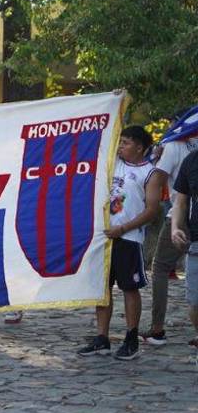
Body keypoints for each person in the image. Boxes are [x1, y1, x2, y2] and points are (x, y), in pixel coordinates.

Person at [78, 126, 165, 360]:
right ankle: (101, 338)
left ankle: (131, 338)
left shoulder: (152, 173)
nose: (121, 146)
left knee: (129, 287)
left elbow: (152, 210)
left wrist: (123, 228)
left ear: (139, 147)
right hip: (104, 236)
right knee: (102, 288)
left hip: (128, 238)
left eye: (126, 143)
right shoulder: (113, 162)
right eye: (121, 142)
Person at [141, 106, 198, 345]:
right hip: (185, 214)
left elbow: (157, 176)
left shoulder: (174, 147)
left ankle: (157, 328)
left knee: (161, 267)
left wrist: (148, 206)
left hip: (178, 214)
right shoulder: (193, 147)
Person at [169, 148, 198, 348]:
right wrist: (175, 227)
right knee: (195, 301)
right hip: (196, 241)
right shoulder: (192, 160)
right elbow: (180, 201)